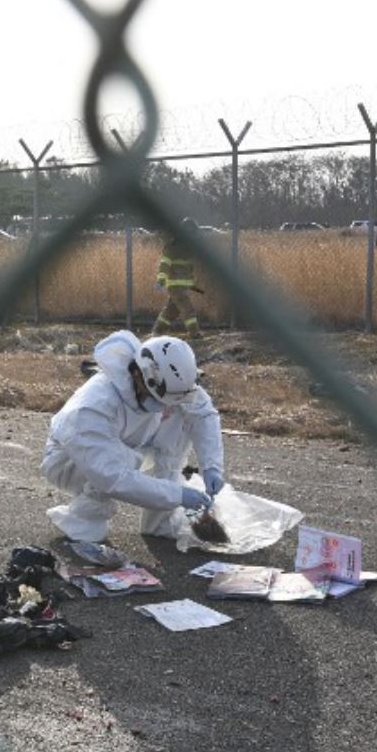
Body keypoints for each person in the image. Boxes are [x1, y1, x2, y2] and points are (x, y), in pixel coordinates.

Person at [41, 330, 226, 543]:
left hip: (132, 442)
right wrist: (178, 495)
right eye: (159, 399)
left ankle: (160, 522)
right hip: (69, 461)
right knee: (111, 473)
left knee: (180, 416)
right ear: (139, 376)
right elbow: (113, 476)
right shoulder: (91, 409)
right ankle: (83, 519)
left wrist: (212, 466)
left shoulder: (164, 379)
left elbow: (202, 413)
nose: (164, 407)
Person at [153, 230, 201, 336]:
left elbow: (190, 269)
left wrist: (194, 284)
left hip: (181, 286)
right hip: (176, 286)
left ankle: (158, 330)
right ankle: (194, 332)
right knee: (187, 308)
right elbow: (164, 266)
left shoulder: (188, 249)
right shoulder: (172, 248)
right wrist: (160, 282)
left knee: (172, 310)